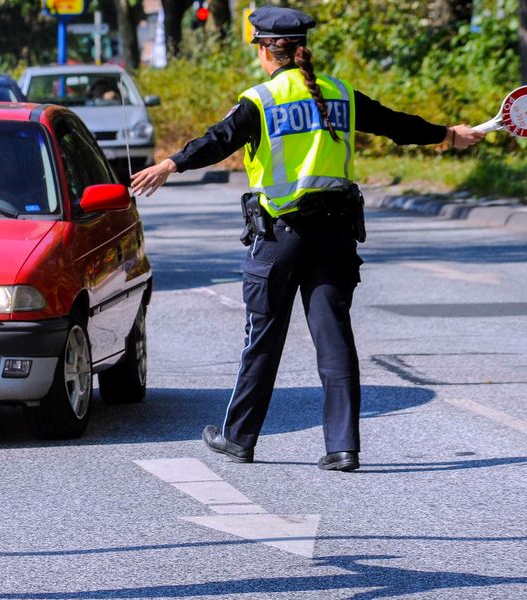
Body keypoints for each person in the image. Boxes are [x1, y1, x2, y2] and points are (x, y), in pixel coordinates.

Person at [130, 5, 484, 473]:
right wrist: (448, 135)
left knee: (263, 337)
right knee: (334, 338)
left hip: (282, 236)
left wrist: (169, 164)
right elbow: (396, 124)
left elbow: (219, 139)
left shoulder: (261, 100)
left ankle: (239, 438)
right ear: (301, 49)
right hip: (336, 236)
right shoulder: (340, 93)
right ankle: (343, 448)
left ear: (264, 50)